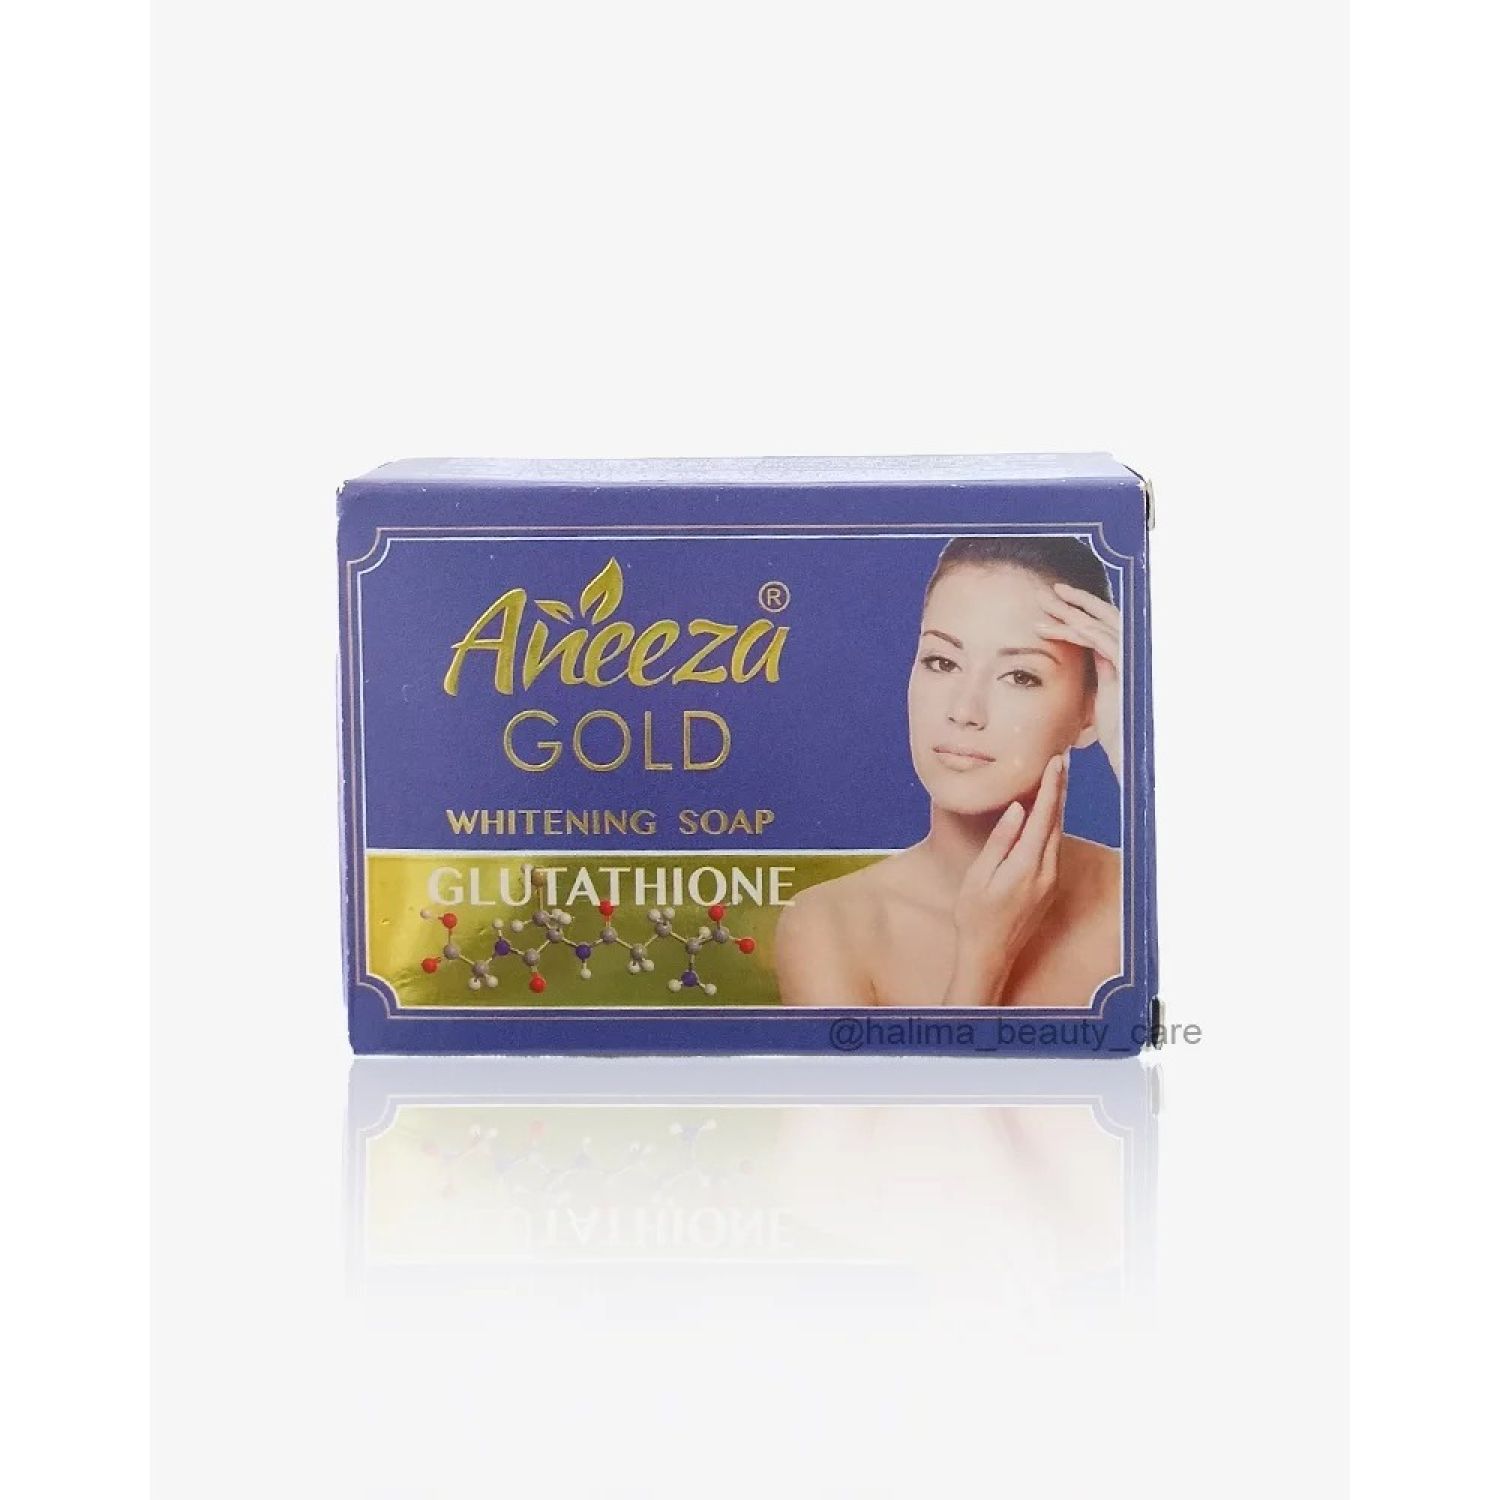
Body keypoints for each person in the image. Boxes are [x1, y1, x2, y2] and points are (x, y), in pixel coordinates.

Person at [776, 536, 1122, 1007]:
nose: (964, 711)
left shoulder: (1142, 903)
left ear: (1091, 710)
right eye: (942, 662)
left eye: (1021, 676)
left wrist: (1134, 753)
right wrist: (983, 955)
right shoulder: (830, 924)